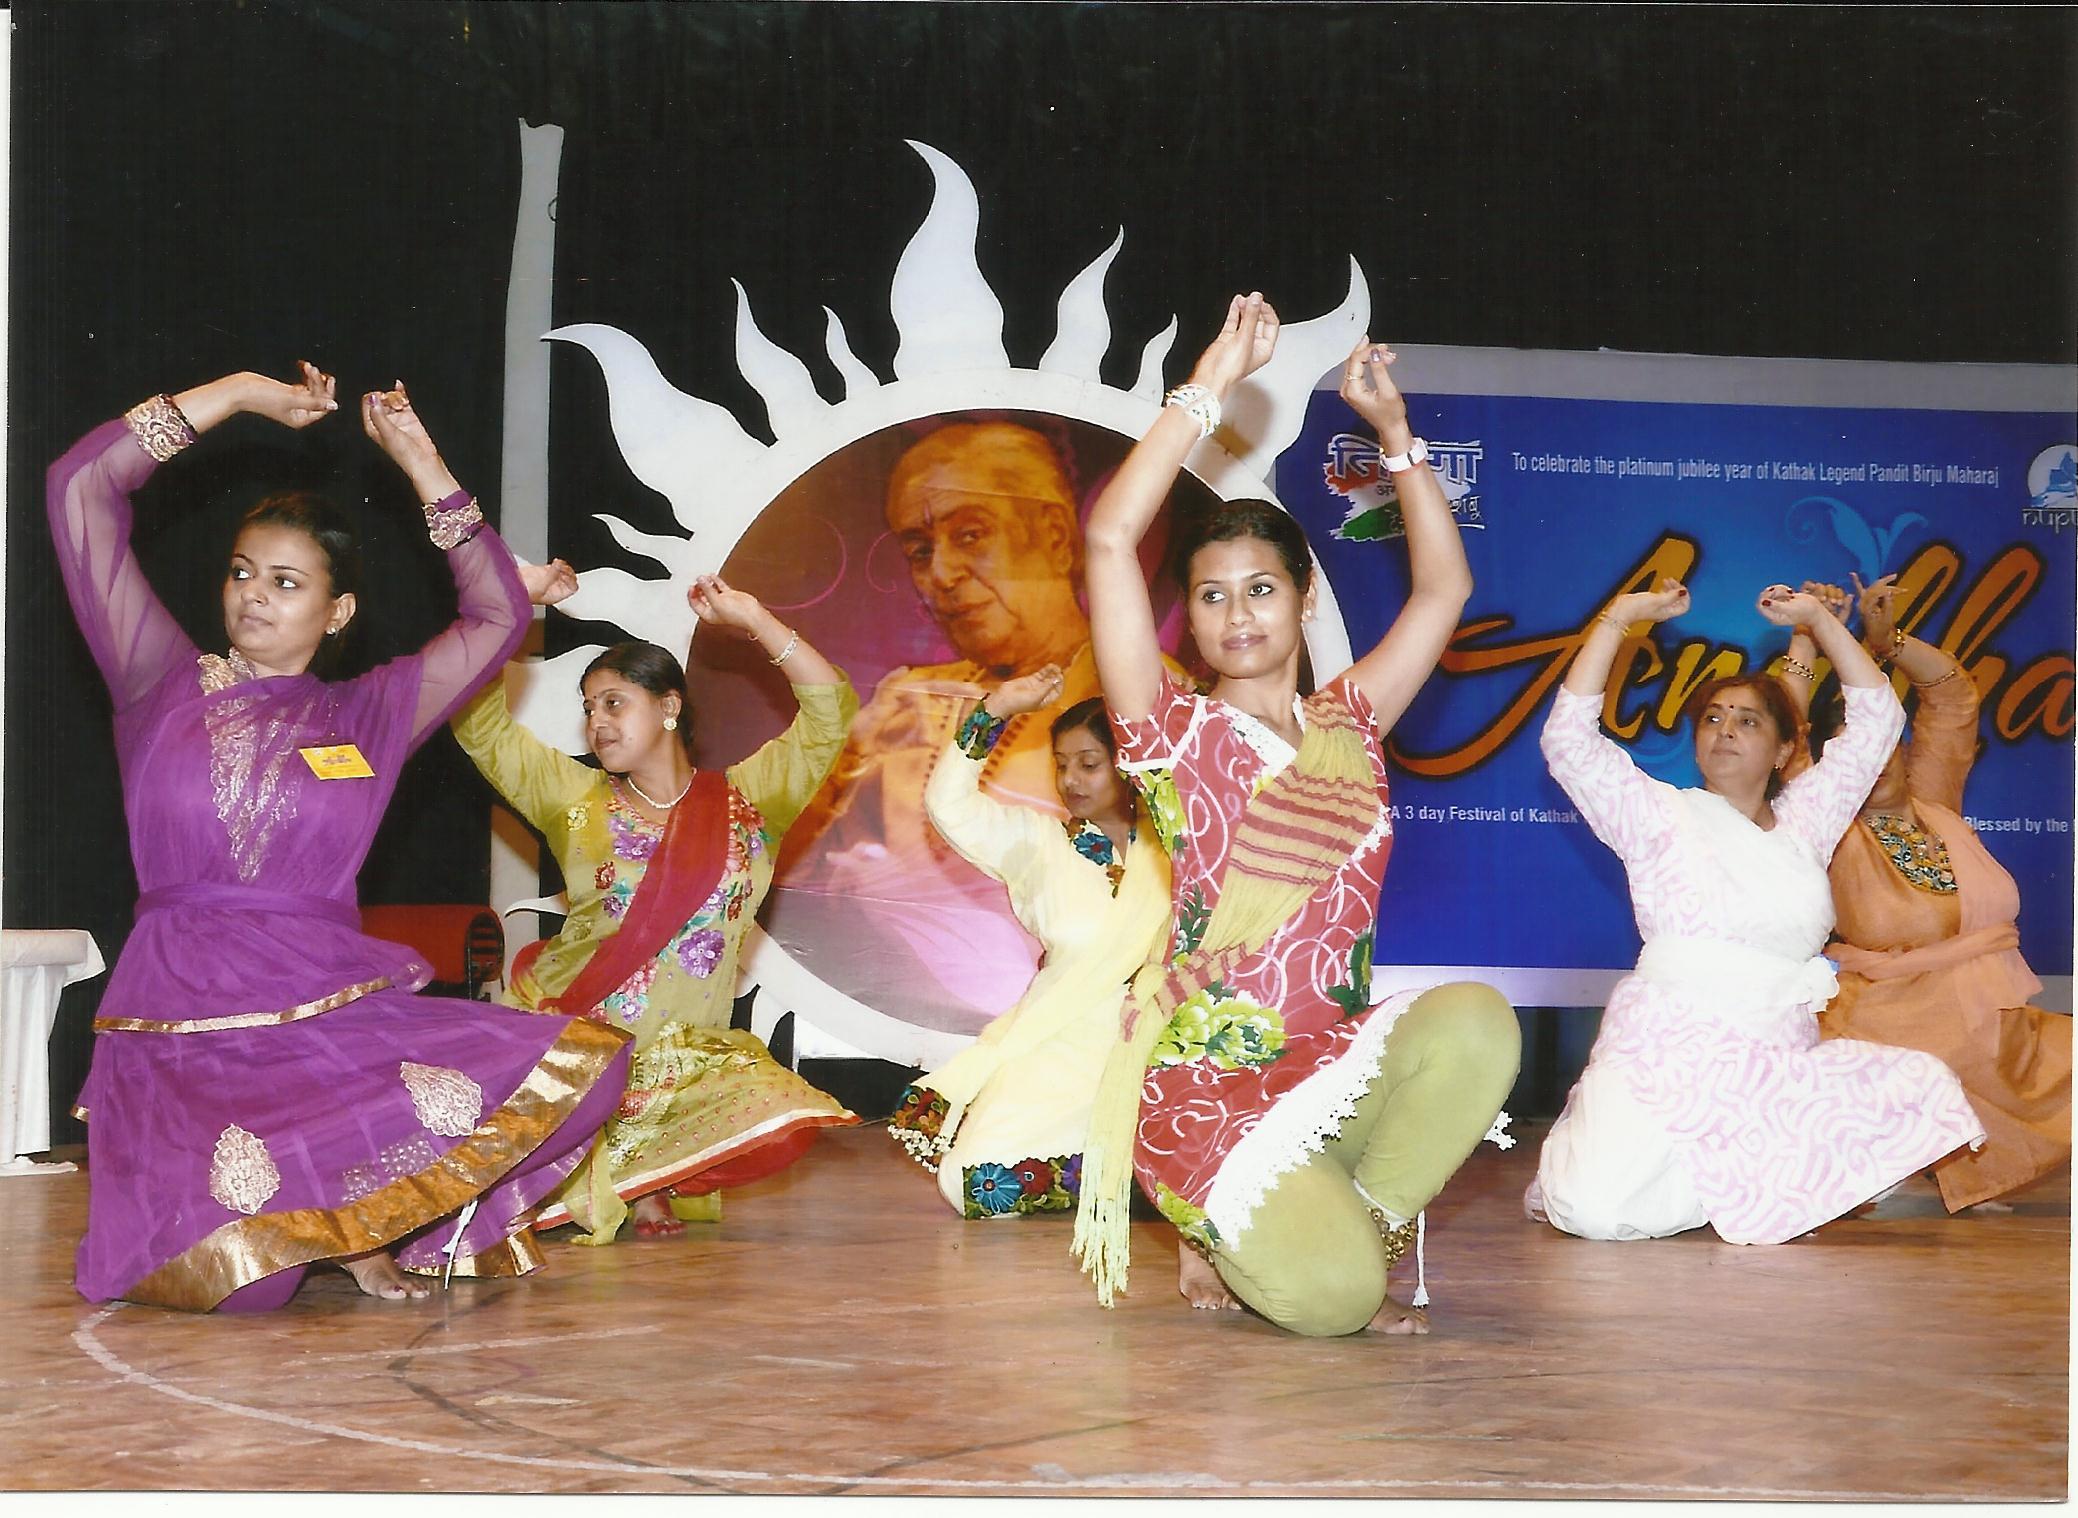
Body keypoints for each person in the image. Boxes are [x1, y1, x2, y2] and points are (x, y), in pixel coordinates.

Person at [49, 364, 633, 1311]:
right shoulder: (157, 684)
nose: (253, 596)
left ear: (338, 612)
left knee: (592, 1066)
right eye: (242, 573)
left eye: (286, 582)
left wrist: (417, 455)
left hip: (320, 1027)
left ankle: (366, 1217)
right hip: (178, 1038)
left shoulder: (373, 712)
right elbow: (81, 488)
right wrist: (237, 394)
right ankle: (330, 1229)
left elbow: (498, 612)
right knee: (243, 1296)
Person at [1073, 294, 1521, 1338]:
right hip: (1204, 1085)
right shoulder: (1167, 733)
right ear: (1188, 614)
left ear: (1301, 598)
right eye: (1213, 595)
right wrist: (1204, 394)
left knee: (1473, 1024)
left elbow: (1442, 592)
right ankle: (1227, 1225)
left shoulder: (1350, 722)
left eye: (1260, 589)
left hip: (1325, 1070)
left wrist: (1398, 443)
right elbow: (1106, 538)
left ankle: (1351, 1217)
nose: (1237, 615)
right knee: (1333, 1308)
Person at [1526, 577, 1986, 1244]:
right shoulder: (1657, 813)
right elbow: (1568, 740)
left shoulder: (1808, 820)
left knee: (1924, 1086)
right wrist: (1620, 617)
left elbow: (1878, 721)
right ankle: (1722, 1178)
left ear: (1782, 750)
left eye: (1747, 721)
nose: (1725, 732)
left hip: (1771, 1059)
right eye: (1712, 718)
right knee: (1594, 1211)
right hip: (1663, 1050)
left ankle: (1738, 1173)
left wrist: (1822, 625)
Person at [451, 572, 860, 1243]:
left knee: (777, 1098)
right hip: (572, 1045)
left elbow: (830, 710)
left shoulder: (749, 801)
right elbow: (479, 722)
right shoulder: (575, 799)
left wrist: (756, 617)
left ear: (669, 706)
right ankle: (621, 1175)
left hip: (678, 1062)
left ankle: (646, 1173)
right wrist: (517, 607)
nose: (596, 721)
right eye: (589, 708)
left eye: (615, 702)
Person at [1775, 575, 2070, 1211]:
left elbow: (1953, 699)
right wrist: (1807, 636)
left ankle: (1948, 1155)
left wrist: (1889, 643)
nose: (1875, 759)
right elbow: (1779, 730)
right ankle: (1922, 1152)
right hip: (1893, 1025)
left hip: (1995, 1024)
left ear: (1906, 750)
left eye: (1886, 742)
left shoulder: (1933, 801)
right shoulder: (1826, 828)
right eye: (1853, 747)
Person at [887, 669, 1172, 1217]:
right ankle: (1124, 1177)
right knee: (972, 1182)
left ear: (1131, 764)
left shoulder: (1179, 847)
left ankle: (1138, 1168)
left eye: (1089, 764)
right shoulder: (1039, 841)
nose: (1070, 780)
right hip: (1061, 1042)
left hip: (1153, 1050)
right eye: (1061, 765)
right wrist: (994, 711)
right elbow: (951, 806)